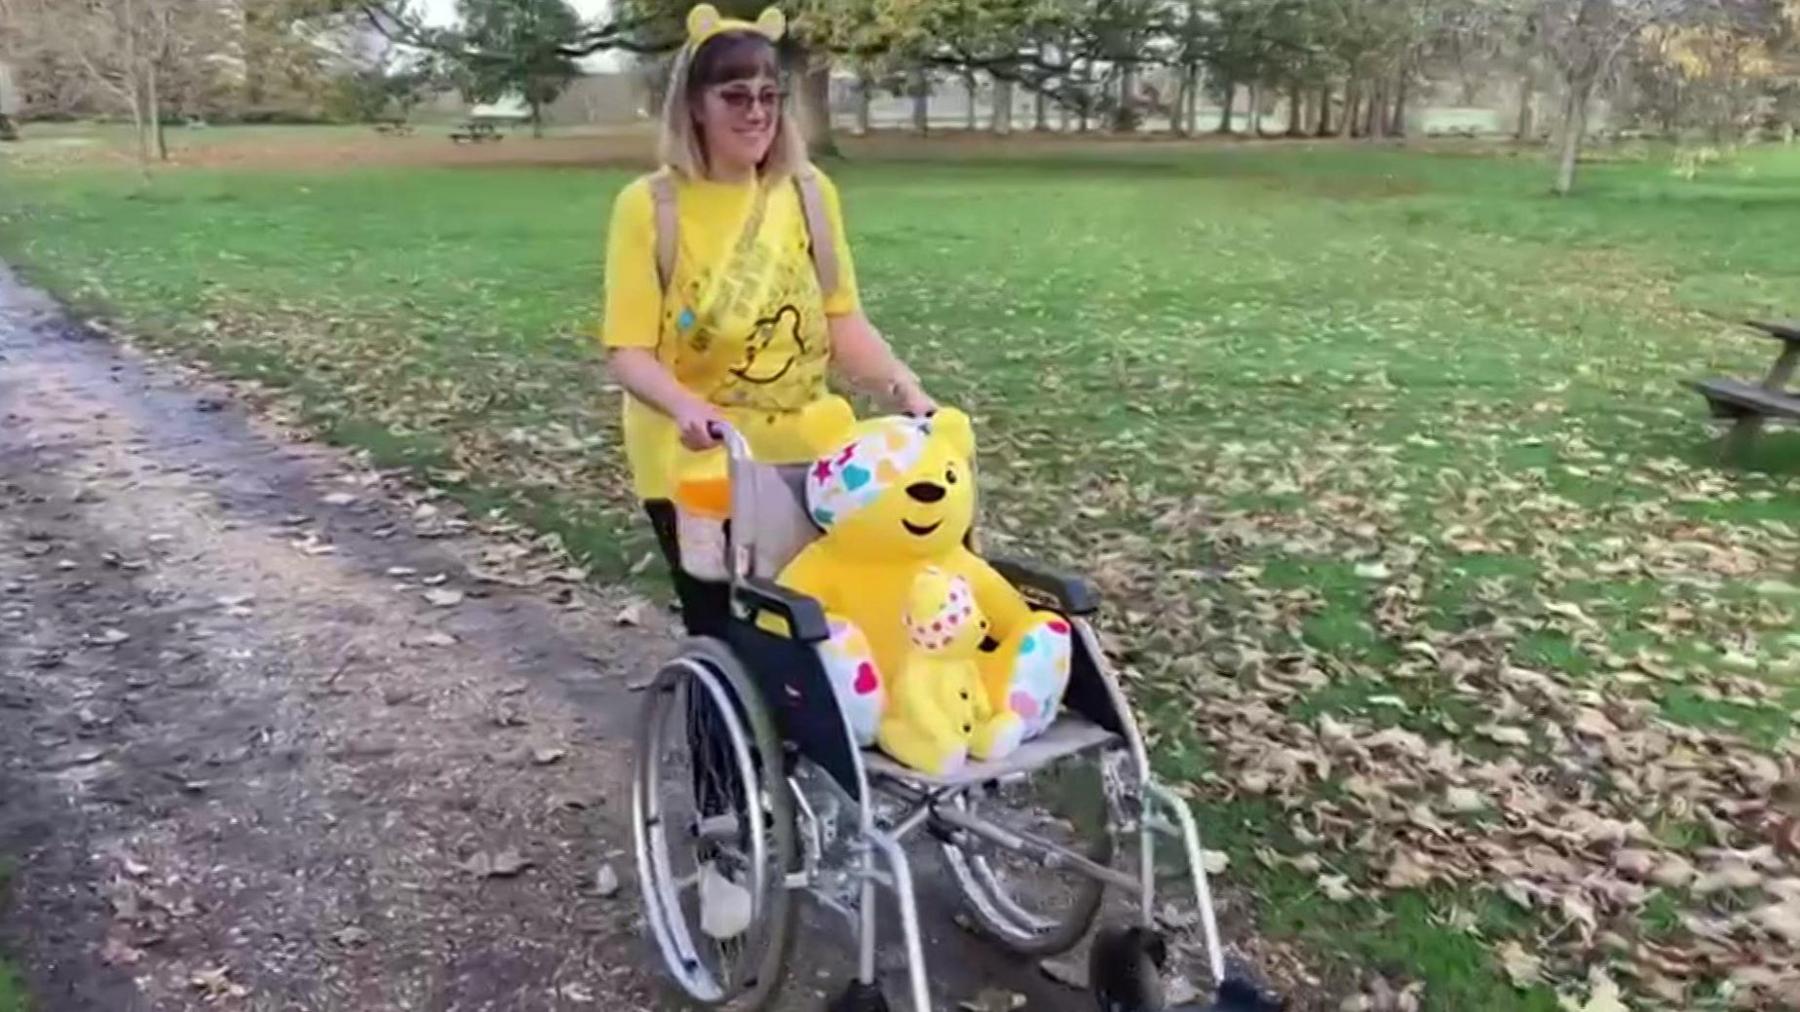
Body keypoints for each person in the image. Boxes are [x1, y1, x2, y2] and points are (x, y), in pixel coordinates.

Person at [601, 3, 935, 641]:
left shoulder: (810, 193)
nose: (756, 113)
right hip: (700, 461)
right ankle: (716, 741)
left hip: (810, 445)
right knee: (731, 635)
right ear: (695, 104)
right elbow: (628, 351)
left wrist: (903, 387)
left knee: (822, 626)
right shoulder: (649, 207)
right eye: (735, 96)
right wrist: (688, 410)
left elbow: (841, 319)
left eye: (768, 95)